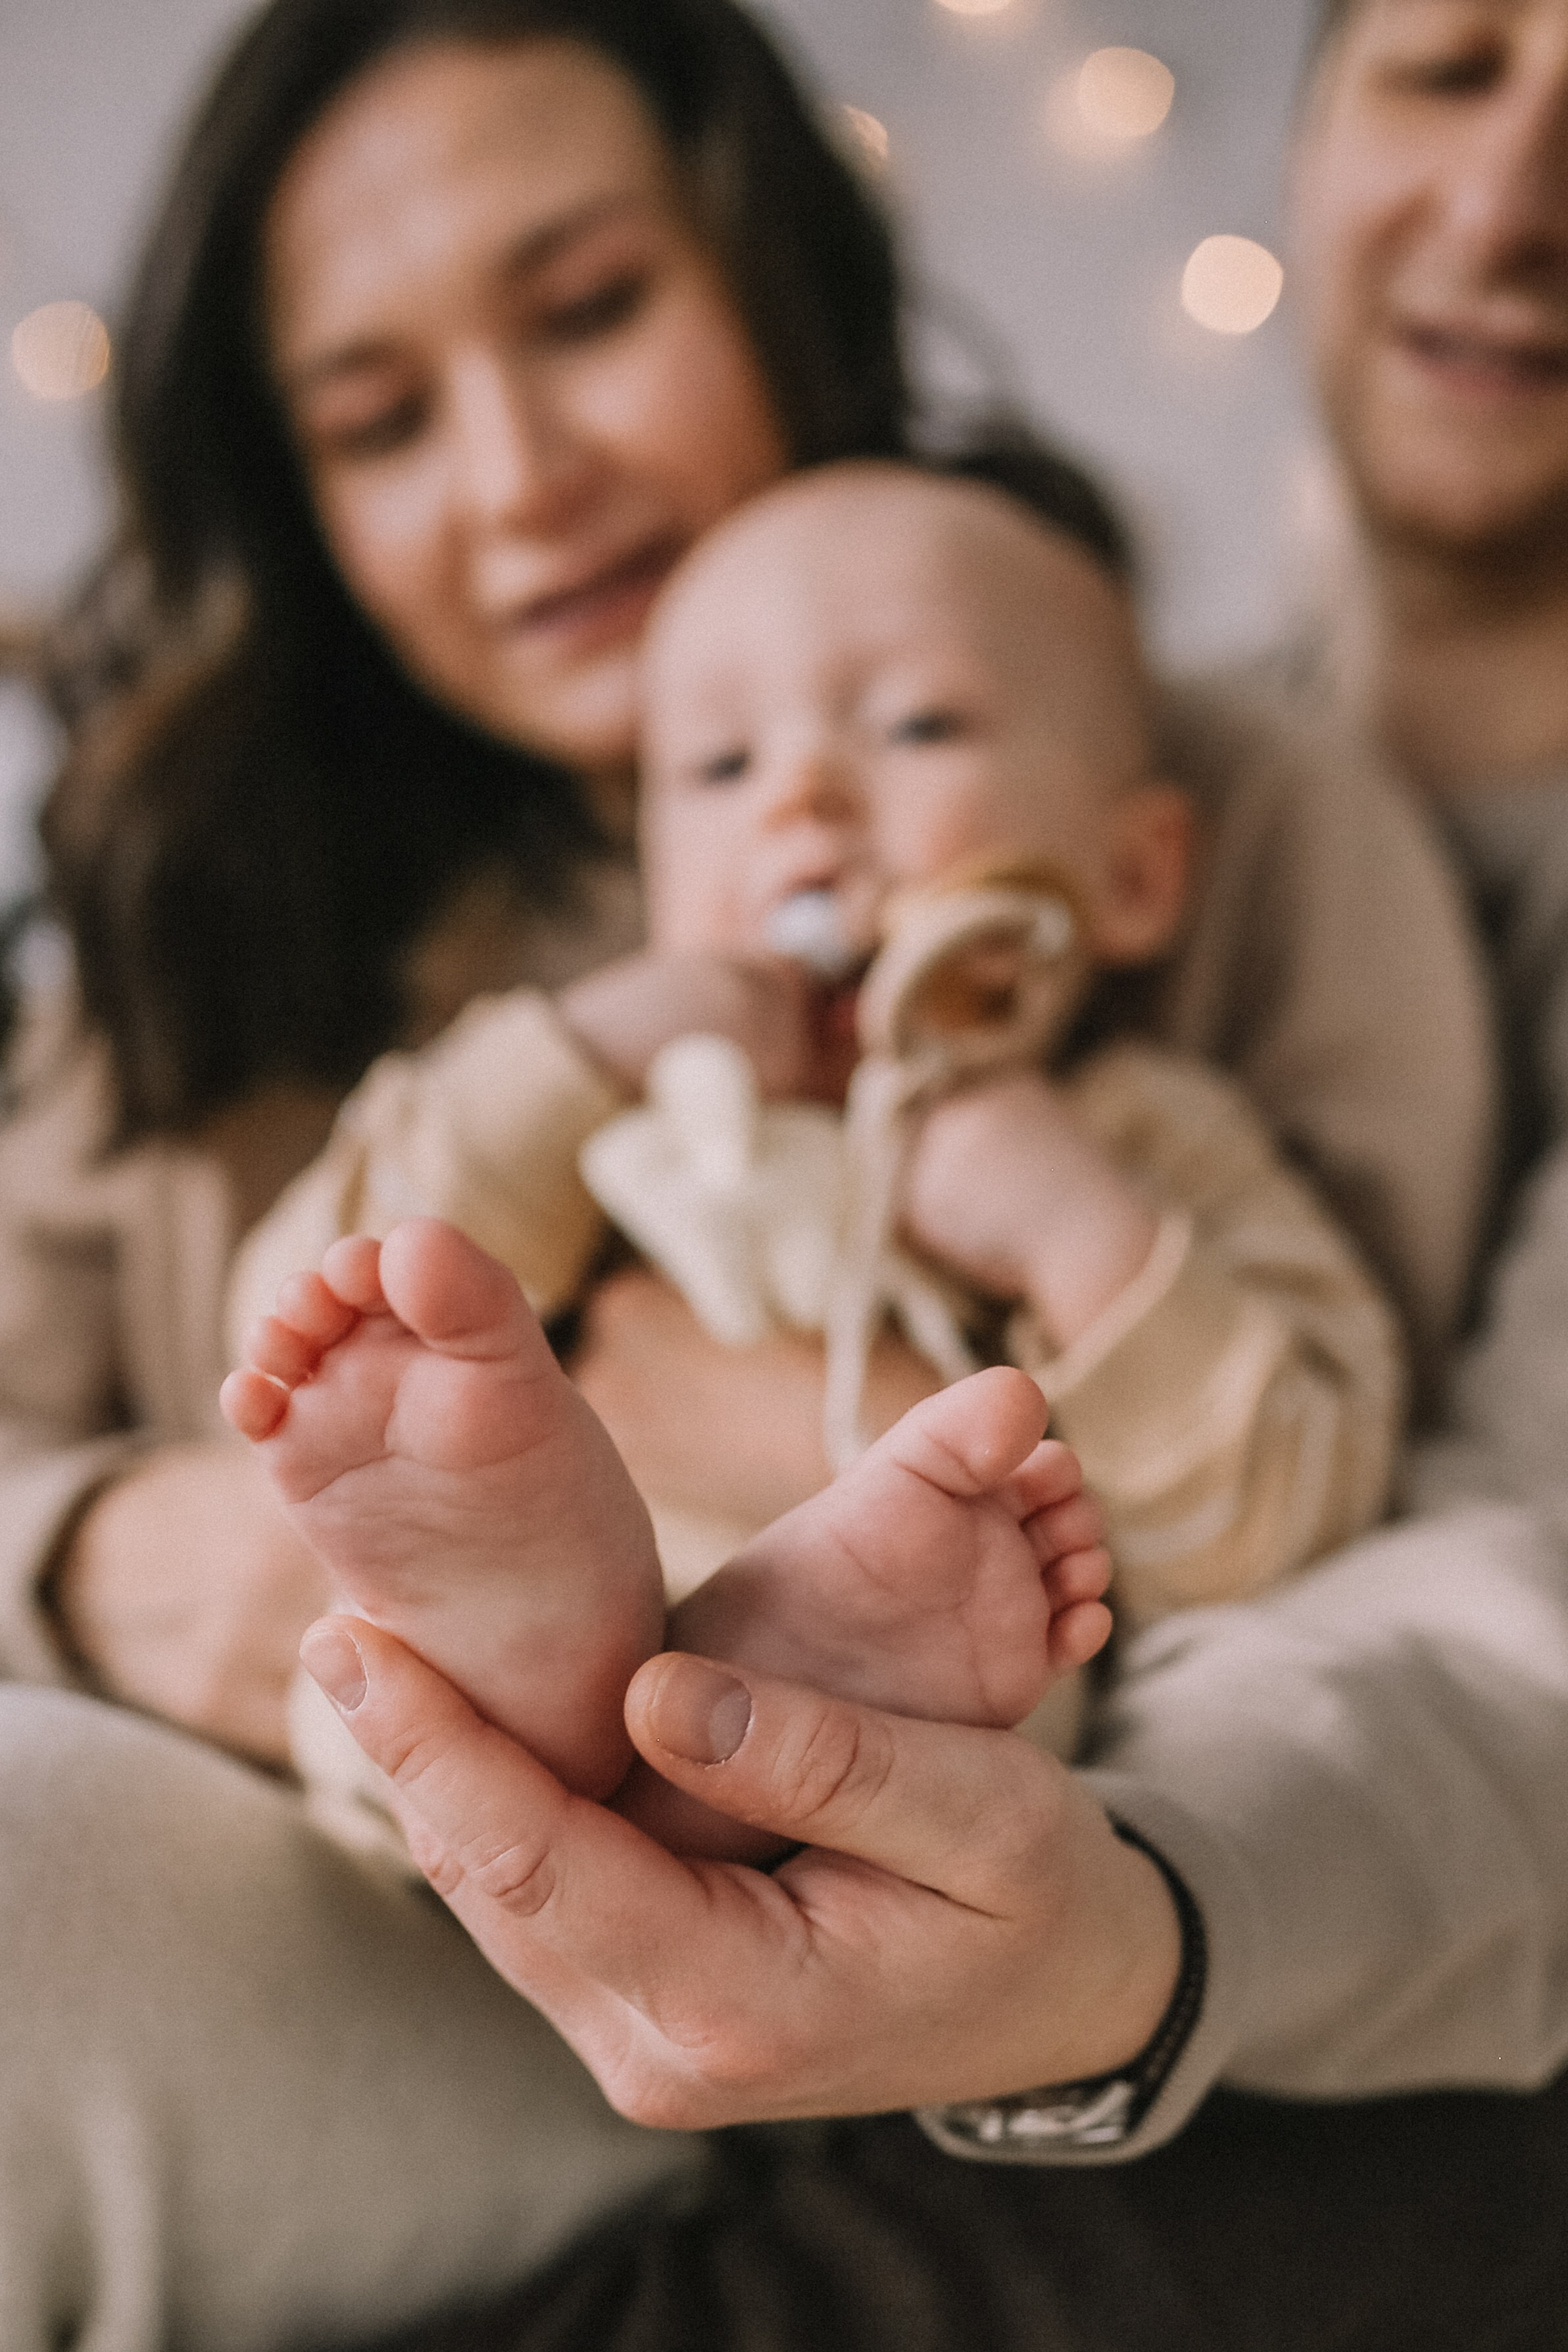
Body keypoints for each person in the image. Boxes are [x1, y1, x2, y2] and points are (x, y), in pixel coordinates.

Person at [0, 3, 1519, 2349]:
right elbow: (346, 1277)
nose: (515, 481)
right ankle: (548, 1622)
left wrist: (1051, 1236)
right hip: (372, 1826)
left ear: (774, 269)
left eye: (592, 307)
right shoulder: (216, 900)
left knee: (946, 1613)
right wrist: (103, 1544)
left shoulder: (1176, 824)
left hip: (956, 1848)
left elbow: (1345, 1525)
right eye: (379, 419)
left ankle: (742, 1655)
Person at [221, 458, 1413, 1856]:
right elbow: (294, 1330)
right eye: (721, 766)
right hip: (559, 1619)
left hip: (887, 1745)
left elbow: (1288, 1515)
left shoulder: (1138, 1134)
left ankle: (777, 1675)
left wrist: (1079, 1239)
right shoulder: (596, 1089)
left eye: (914, 726)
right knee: (384, 1629)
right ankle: (529, 1646)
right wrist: (576, 1064)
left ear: (1134, 873)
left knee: (984, 1625)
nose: (799, 803)